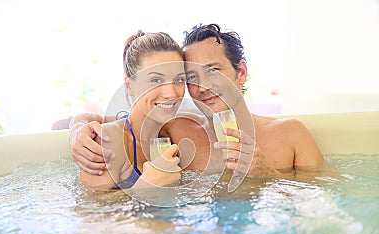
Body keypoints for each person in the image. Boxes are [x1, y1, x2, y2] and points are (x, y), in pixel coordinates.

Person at [70, 23, 324, 184]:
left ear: (242, 72)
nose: (202, 87)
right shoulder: (176, 129)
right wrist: (78, 128)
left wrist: (270, 175)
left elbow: (329, 198)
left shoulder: (291, 134)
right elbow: (123, 124)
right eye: (191, 77)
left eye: (213, 71)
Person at [78, 30, 187, 191]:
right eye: (155, 80)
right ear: (129, 86)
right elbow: (89, 213)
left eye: (178, 80)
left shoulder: (173, 136)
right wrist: (144, 188)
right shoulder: (108, 142)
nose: (171, 93)